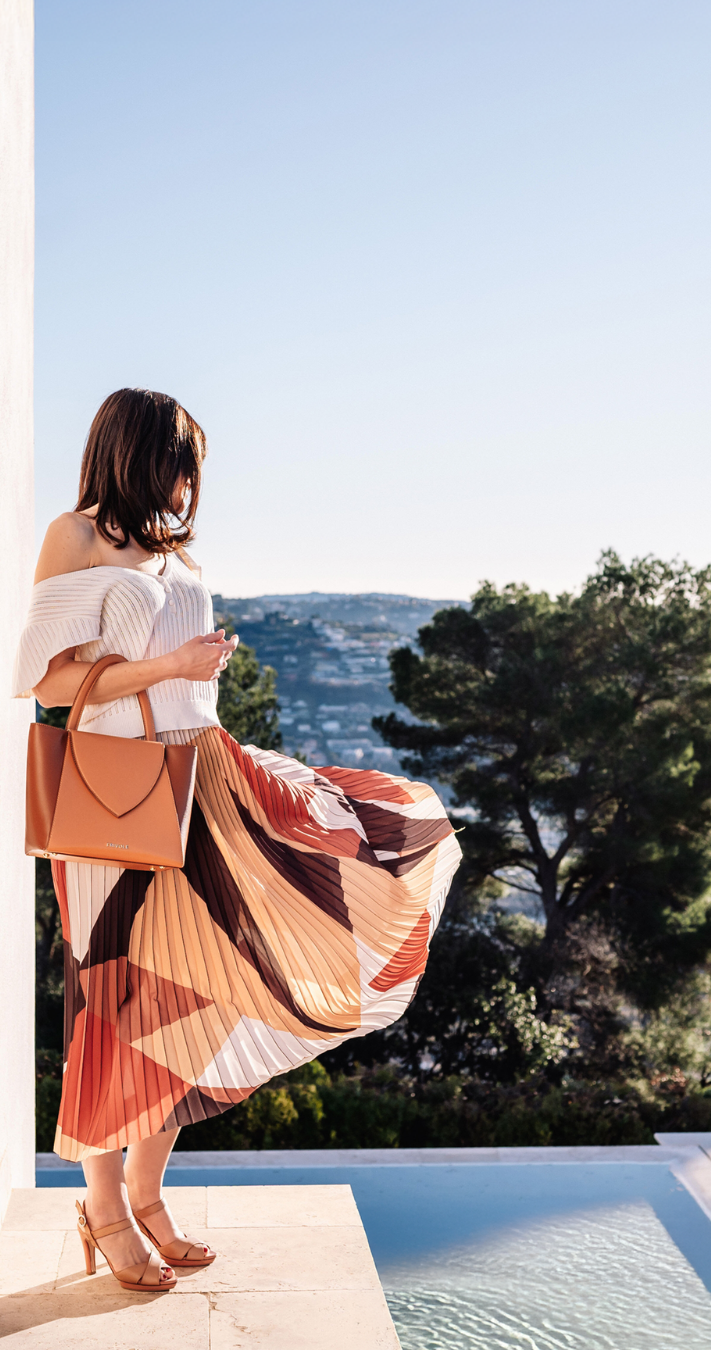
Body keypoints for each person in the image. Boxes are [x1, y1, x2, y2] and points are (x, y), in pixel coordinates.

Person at [14, 388, 462, 1292]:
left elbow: (184, 688)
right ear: (136, 452)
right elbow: (48, 685)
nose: (187, 484)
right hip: (115, 797)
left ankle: (147, 1195)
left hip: (200, 777)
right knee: (115, 1000)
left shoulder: (174, 552)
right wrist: (169, 666)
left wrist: (197, 679)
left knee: (203, 995)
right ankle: (104, 1208)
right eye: (178, 462)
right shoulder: (76, 536)